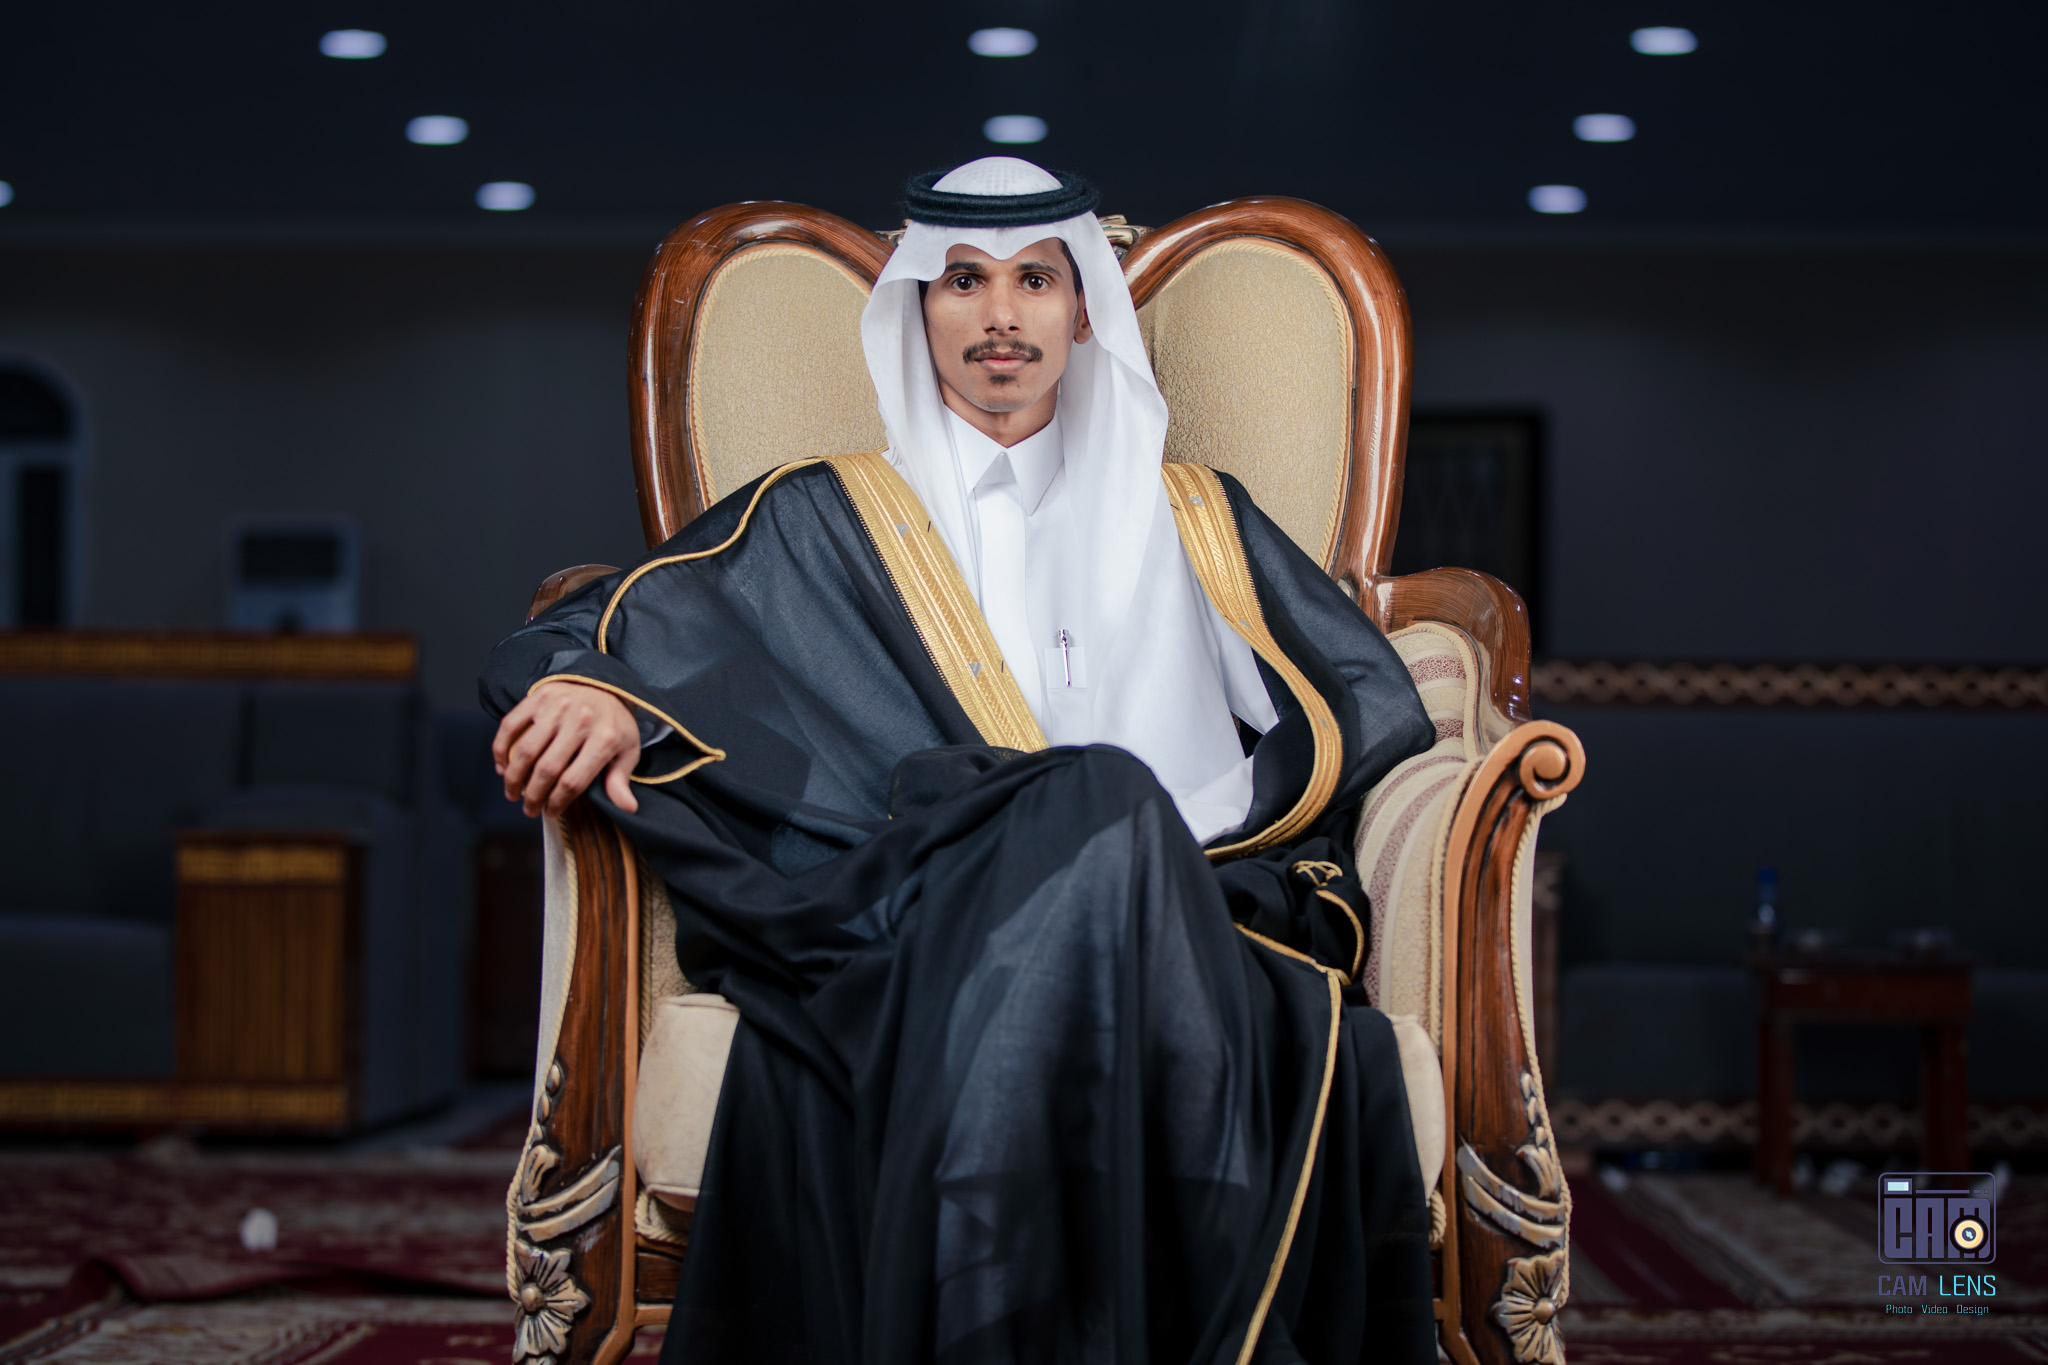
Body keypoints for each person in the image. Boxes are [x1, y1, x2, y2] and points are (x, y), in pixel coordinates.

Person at [481, 157, 1439, 1365]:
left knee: (1109, 805)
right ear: (916, 308)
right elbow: (602, 621)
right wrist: (587, 686)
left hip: (1183, 911)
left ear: (1081, 310)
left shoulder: (1196, 517)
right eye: (963, 281)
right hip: (931, 912)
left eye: (1035, 280)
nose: (999, 315)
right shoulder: (824, 515)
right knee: (1096, 792)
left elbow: (1366, 702)